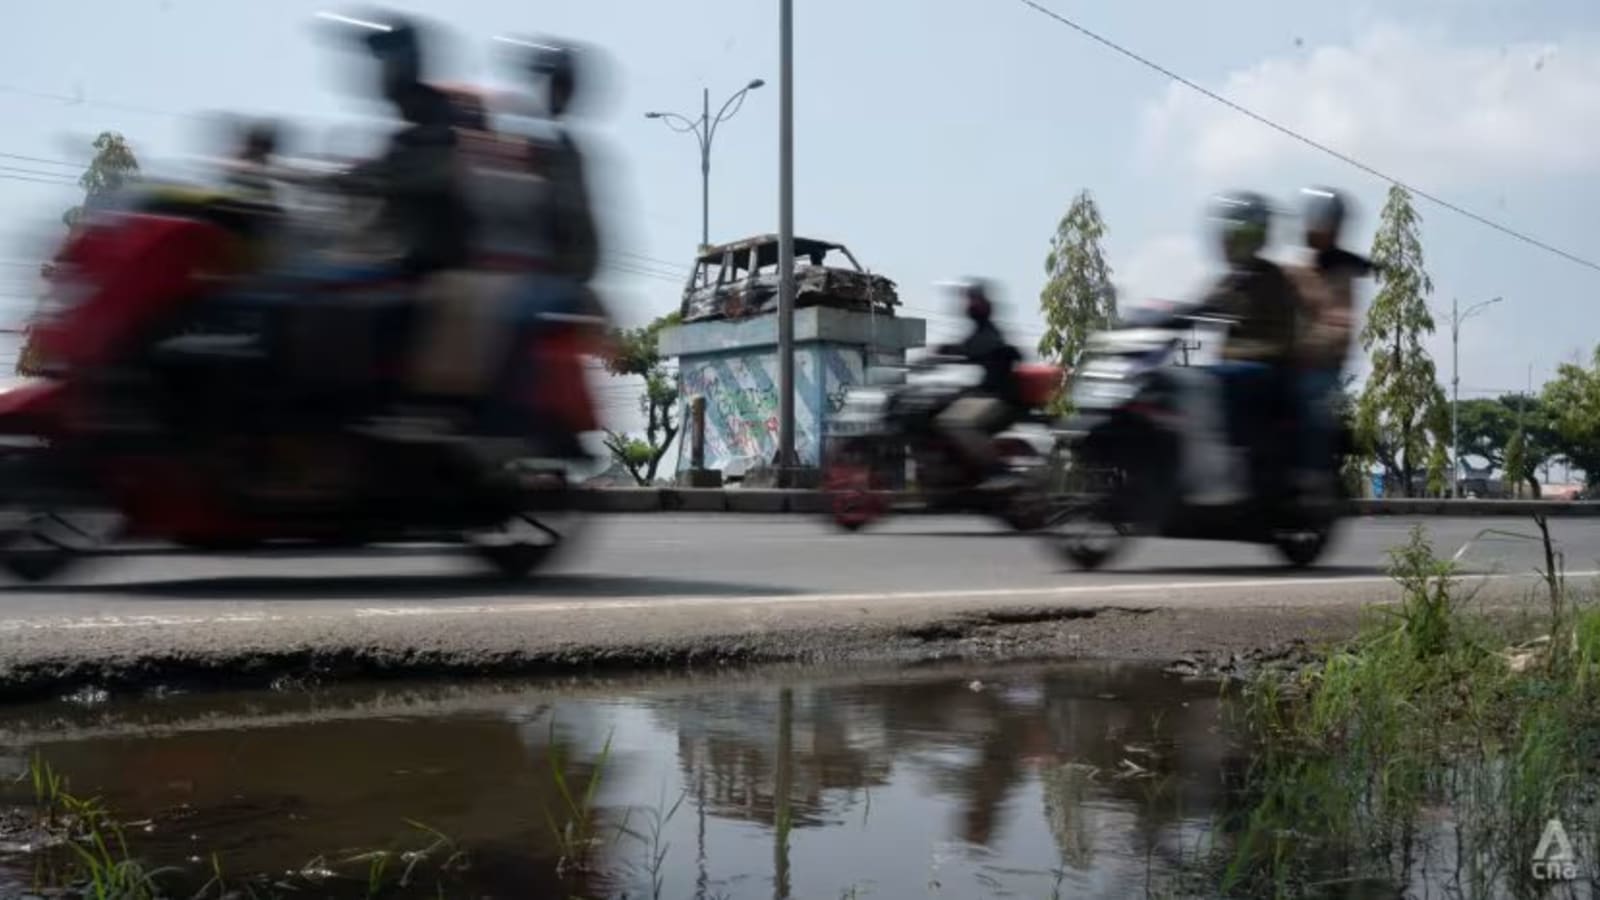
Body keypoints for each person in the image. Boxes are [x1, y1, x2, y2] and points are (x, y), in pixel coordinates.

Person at [1195, 191, 1301, 496]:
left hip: (1270, 372)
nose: (1225, 242)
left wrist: (1240, 354)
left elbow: (1282, 340)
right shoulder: (1230, 280)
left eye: (1233, 235)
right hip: (1238, 371)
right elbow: (1200, 306)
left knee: (1220, 378)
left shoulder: (1274, 279)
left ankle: (1229, 473)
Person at [1287, 186, 1372, 499]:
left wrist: (1312, 344)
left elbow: (1340, 320)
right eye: (1310, 220)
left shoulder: (1342, 271)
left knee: (1306, 398)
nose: (1312, 227)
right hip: (1287, 357)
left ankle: (1313, 476)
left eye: (1320, 221)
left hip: (1321, 362)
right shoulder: (1298, 267)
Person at [931, 278, 1024, 489]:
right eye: (968, 300)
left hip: (999, 397)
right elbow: (967, 348)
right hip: (986, 394)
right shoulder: (979, 331)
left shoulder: (989, 333)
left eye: (973, 300)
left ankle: (997, 471)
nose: (969, 305)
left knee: (954, 422)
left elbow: (974, 348)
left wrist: (948, 351)